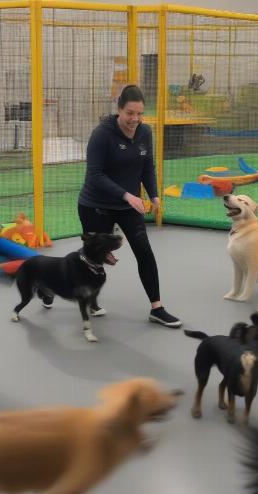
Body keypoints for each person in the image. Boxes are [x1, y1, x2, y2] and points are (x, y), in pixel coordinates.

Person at [77, 84, 182, 328]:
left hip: (129, 207)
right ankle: (58, 287)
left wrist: (154, 195)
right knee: (93, 258)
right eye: (129, 113)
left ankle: (157, 308)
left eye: (139, 114)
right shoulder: (102, 134)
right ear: (119, 110)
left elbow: (147, 166)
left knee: (144, 252)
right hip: (96, 206)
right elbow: (94, 175)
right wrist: (127, 195)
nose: (135, 119)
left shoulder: (145, 132)